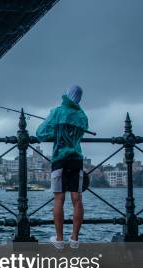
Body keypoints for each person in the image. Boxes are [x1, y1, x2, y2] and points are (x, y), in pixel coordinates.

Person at [36, 85, 89, 249]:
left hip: (60, 159)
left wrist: (56, 133)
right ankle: (74, 239)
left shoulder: (57, 111)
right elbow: (79, 133)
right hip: (76, 159)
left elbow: (40, 133)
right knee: (77, 199)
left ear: (67, 94)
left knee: (59, 199)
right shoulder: (82, 115)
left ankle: (59, 240)